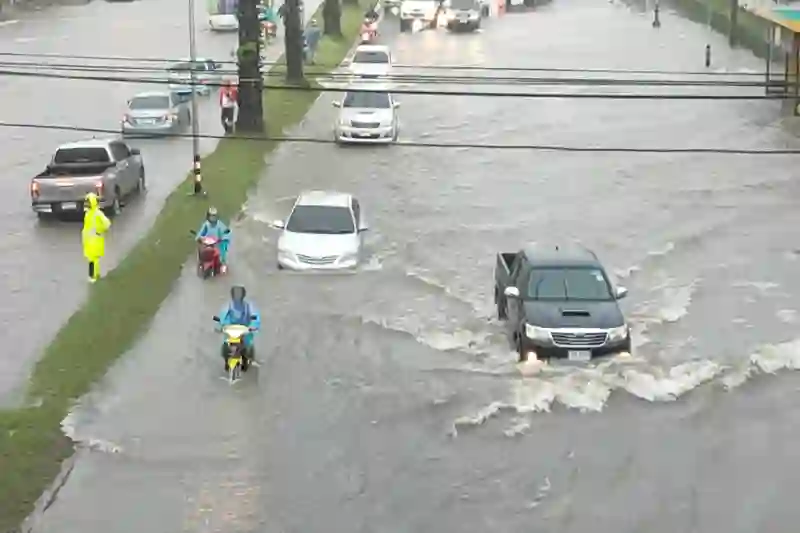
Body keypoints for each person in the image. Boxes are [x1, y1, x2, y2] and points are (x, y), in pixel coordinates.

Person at [216, 285, 261, 371]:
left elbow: (255, 317)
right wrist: (222, 326)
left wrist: (253, 326)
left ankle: (245, 360)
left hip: (245, 331)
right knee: (225, 346)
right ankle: (226, 360)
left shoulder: (249, 306)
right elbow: (223, 317)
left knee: (248, 347)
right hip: (231, 331)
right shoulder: (228, 306)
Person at [81, 192, 111, 283]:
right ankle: (95, 274)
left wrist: (99, 230)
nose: (86, 204)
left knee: (93, 260)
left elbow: (107, 224)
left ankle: (92, 276)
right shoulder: (88, 213)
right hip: (89, 241)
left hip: (95, 240)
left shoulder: (97, 214)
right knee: (93, 259)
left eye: (88, 202)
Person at [196, 207, 231, 273]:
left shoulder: (220, 225)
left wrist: (222, 238)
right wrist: (200, 238)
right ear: (208, 217)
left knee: (222, 249)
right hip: (207, 243)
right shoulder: (206, 225)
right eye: (211, 217)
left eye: (214, 217)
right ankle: (201, 263)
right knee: (201, 249)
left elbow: (227, 232)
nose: (213, 219)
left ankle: (223, 264)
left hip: (218, 243)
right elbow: (200, 234)